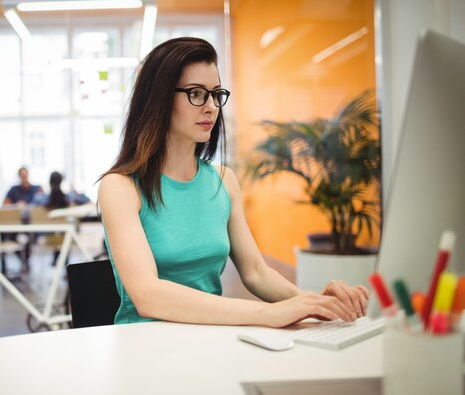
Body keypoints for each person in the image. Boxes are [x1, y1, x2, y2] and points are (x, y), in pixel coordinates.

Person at [98, 37, 370, 326]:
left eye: (216, 94)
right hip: (145, 348)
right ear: (159, 99)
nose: (212, 107)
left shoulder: (224, 181)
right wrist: (267, 314)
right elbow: (148, 295)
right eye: (196, 93)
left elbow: (255, 272)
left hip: (211, 341)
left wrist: (311, 302)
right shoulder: (121, 187)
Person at [1, 166, 44, 273]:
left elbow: (43, 203)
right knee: (9, 237)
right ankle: (23, 260)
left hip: (32, 223)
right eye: (22, 175)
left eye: (25, 174)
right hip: (16, 223)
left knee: (32, 238)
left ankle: (25, 260)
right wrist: (16, 205)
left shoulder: (37, 188)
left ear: (28, 175)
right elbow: (4, 205)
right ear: (19, 176)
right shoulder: (13, 190)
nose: (24, 177)